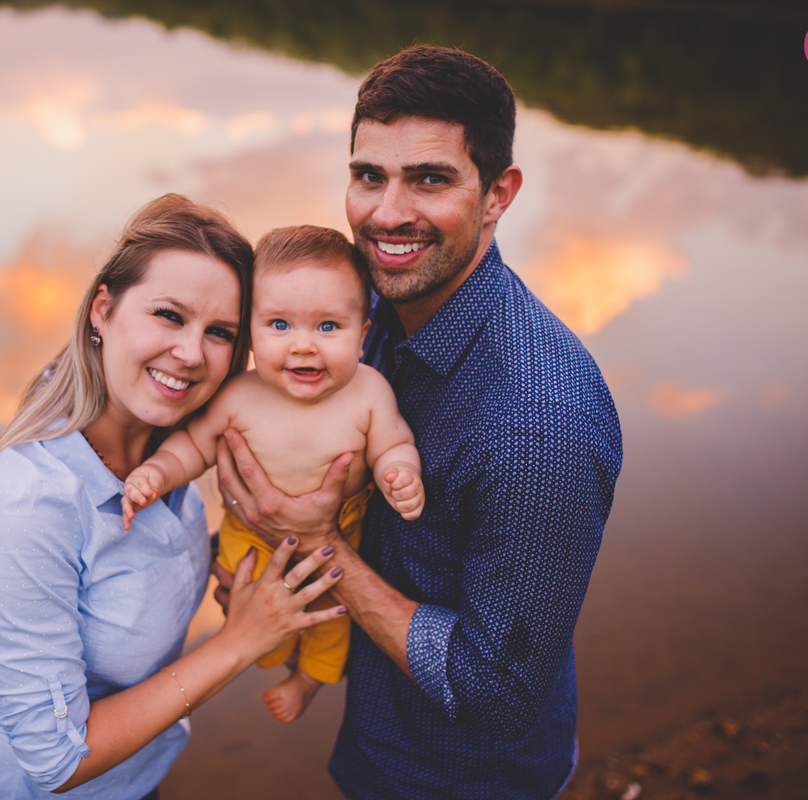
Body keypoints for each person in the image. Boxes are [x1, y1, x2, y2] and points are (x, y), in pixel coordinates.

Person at [213, 47, 624, 798]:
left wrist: (316, 543)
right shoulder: (364, 310)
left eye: (429, 179)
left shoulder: (539, 427)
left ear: (499, 194)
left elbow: (497, 692)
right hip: (374, 743)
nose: (387, 214)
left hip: (462, 781)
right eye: (369, 176)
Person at [0, 195, 348, 800]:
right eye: (168, 315)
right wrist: (240, 641)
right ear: (102, 310)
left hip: (136, 782)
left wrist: (253, 550)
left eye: (220, 333)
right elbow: (55, 762)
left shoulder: (174, 445)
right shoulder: (32, 501)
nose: (190, 354)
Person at [121, 225, 425, 724]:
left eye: (328, 327)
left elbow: (393, 443)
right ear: (251, 330)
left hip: (332, 552)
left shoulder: (369, 393)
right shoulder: (240, 394)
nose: (303, 347)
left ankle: (308, 680)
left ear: (363, 332)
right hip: (250, 545)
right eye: (279, 325)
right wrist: (157, 472)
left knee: (330, 621)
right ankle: (266, 651)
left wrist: (399, 473)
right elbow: (195, 446)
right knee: (251, 611)